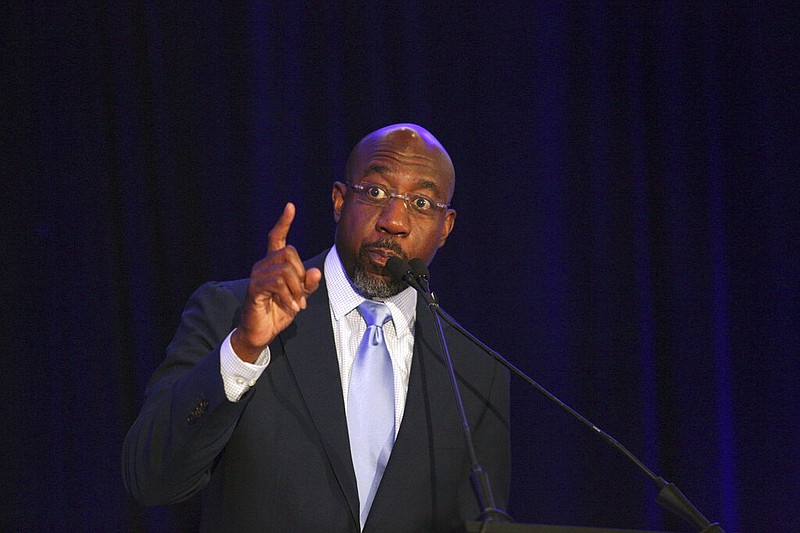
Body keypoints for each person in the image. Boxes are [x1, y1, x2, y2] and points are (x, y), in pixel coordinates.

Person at [123, 124, 510, 532]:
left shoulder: (475, 372)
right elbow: (149, 480)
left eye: (420, 202)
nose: (394, 221)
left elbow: (483, 522)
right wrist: (242, 351)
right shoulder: (230, 312)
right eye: (376, 192)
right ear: (340, 201)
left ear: (445, 227)